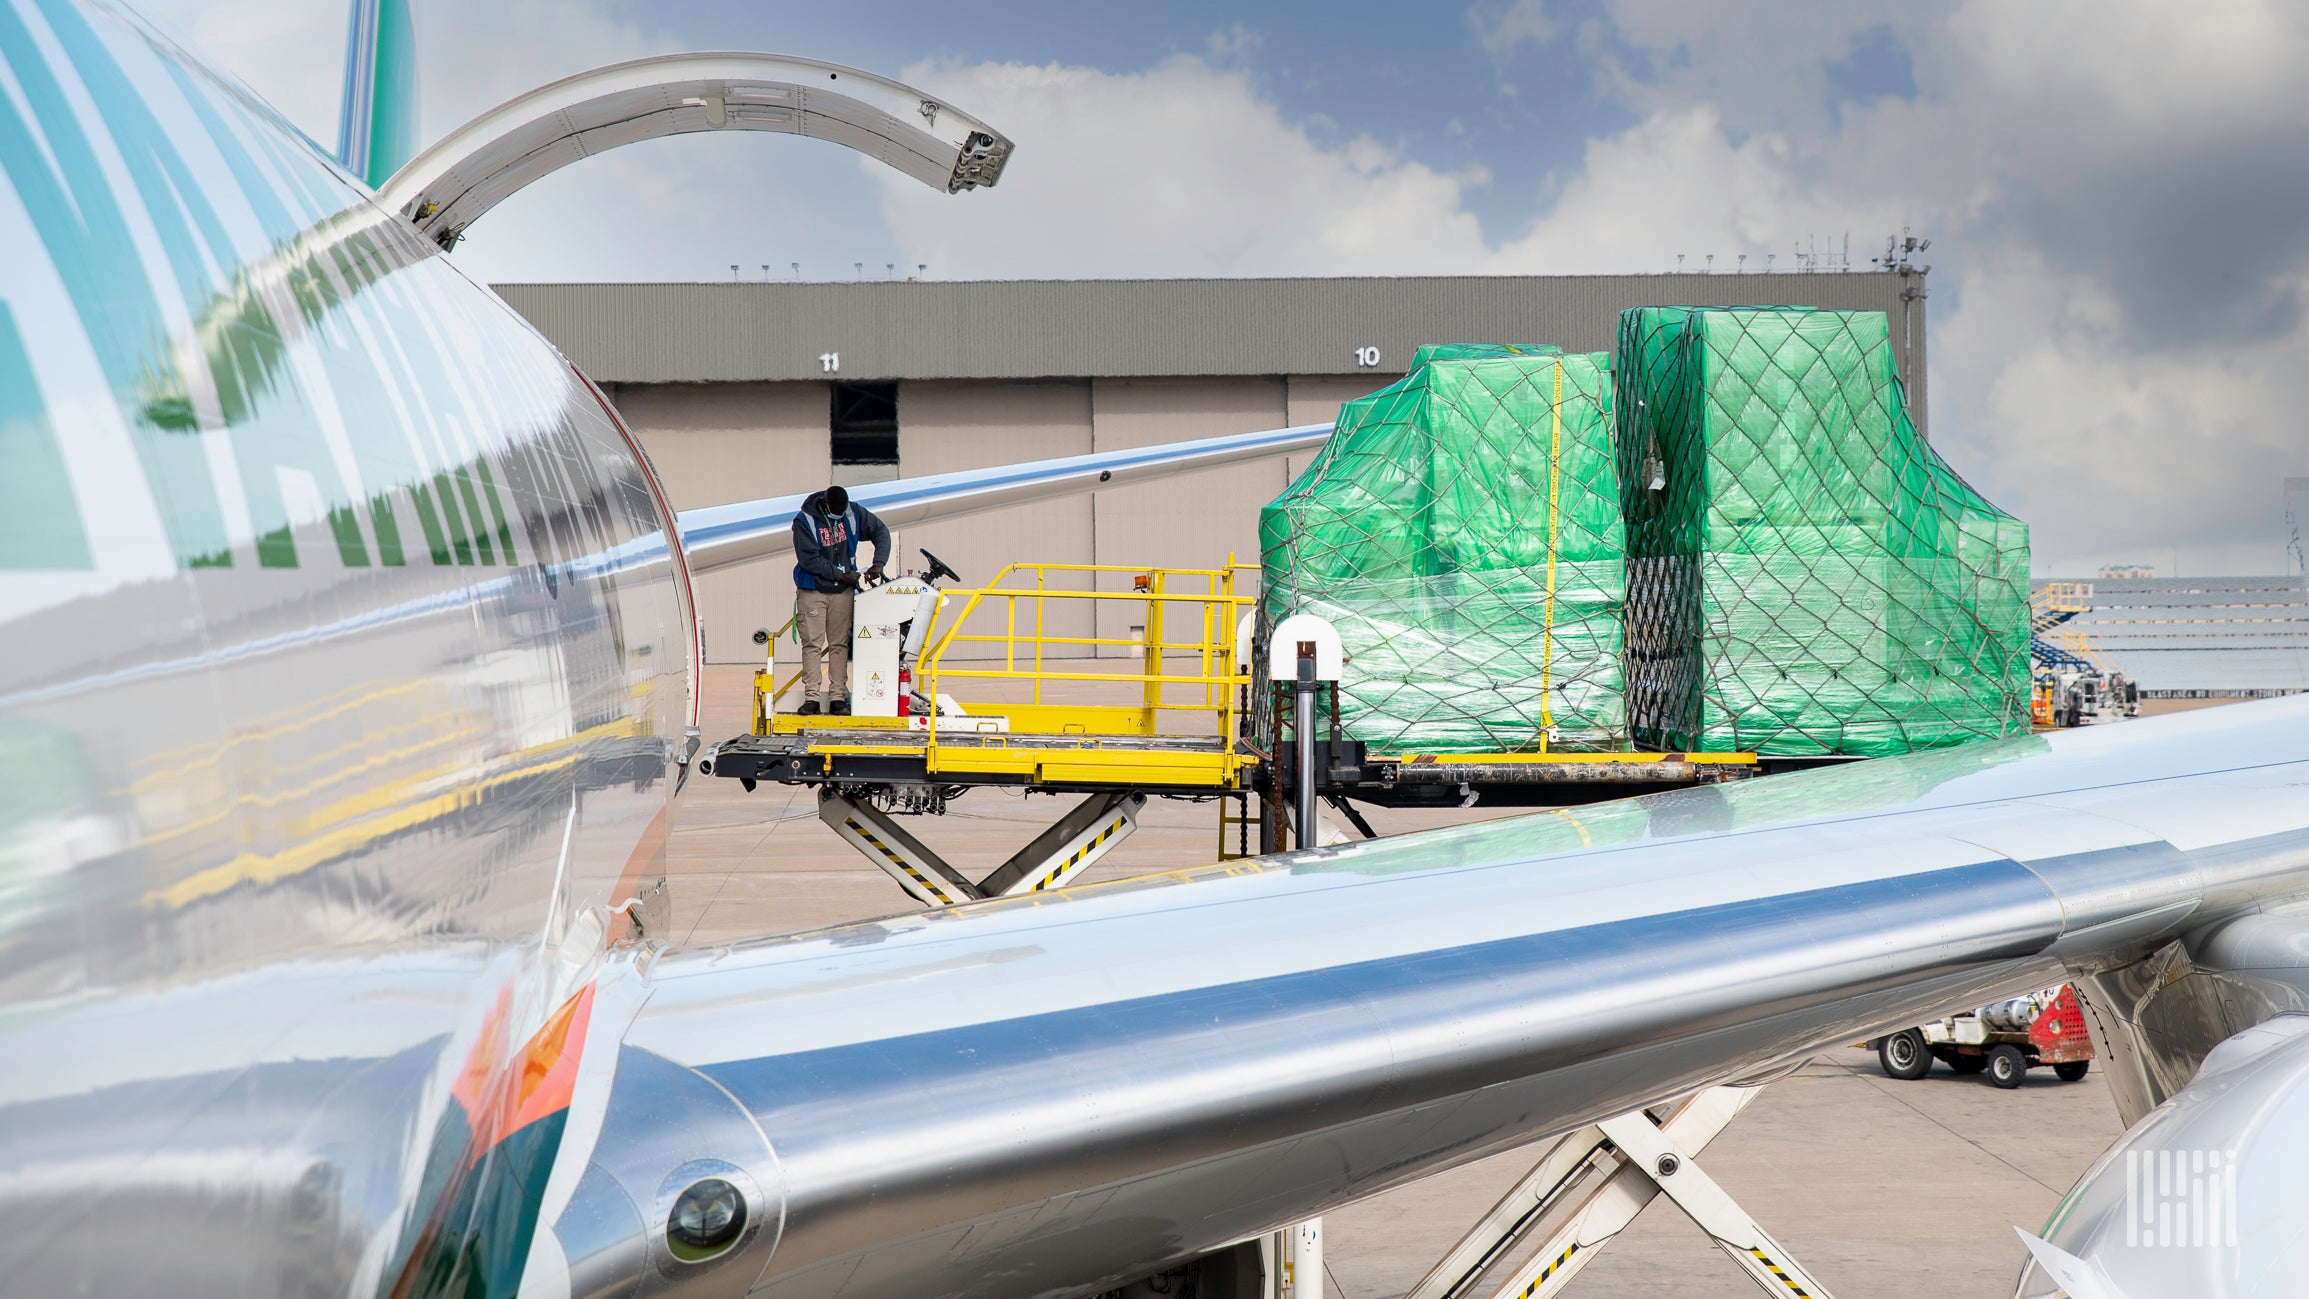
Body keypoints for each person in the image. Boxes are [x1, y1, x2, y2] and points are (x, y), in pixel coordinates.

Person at [790, 484, 890, 715]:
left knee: (839, 644)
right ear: (826, 504)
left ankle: (837, 697)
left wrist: (879, 564)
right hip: (813, 589)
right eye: (836, 509)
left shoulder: (853, 513)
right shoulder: (805, 521)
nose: (840, 513)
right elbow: (809, 560)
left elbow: (880, 532)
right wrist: (840, 574)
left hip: (843, 591)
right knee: (812, 645)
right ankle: (812, 698)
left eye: (843, 509)